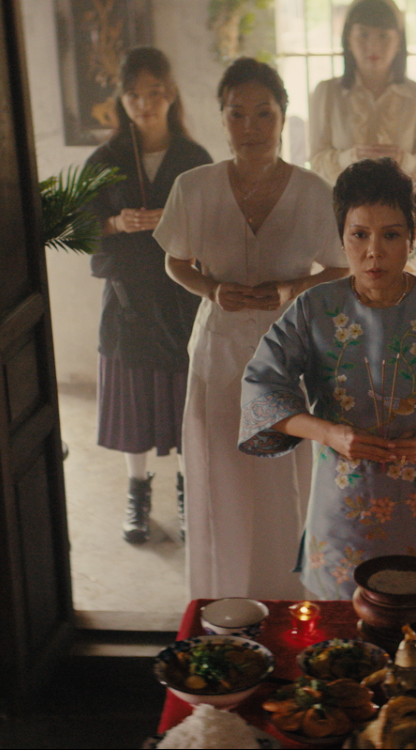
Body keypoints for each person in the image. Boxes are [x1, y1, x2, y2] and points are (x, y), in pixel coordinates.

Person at [239, 158, 416, 599]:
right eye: (359, 235)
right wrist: (328, 433)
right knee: (342, 631)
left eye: (391, 235)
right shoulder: (314, 308)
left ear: (412, 236)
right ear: (341, 236)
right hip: (342, 510)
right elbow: (261, 387)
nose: (374, 251)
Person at [156, 58, 348, 600]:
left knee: (286, 479)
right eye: (237, 113)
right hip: (219, 350)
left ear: (283, 116)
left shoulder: (313, 191)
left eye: (264, 113)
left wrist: (292, 288)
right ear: (221, 119)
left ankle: (291, 600)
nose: (251, 126)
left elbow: (340, 267)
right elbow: (176, 260)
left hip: (290, 353)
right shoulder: (194, 187)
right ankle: (225, 601)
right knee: (222, 475)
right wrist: (212, 290)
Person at [82, 47, 214, 544]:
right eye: (134, 94)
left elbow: (215, 227)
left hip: (182, 299)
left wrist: (177, 225)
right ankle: (137, 492)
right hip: (127, 300)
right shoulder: (105, 159)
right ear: (121, 98)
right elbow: (79, 229)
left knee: (184, 401)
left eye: (154, 92)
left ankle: (186, 490)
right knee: (133, 401)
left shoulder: (194, 159)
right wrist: (117, 223)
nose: (145, 104)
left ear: (171, 94)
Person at [307, 0, 416, 191]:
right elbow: (316, 164)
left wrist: (402, 159)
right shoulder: (327, 92)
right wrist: (351, 158)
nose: (373, 46)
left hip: (399, 207)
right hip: (342, 207)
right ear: (348, 39)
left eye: (384, 36)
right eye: (363, 35)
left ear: (399, 41)